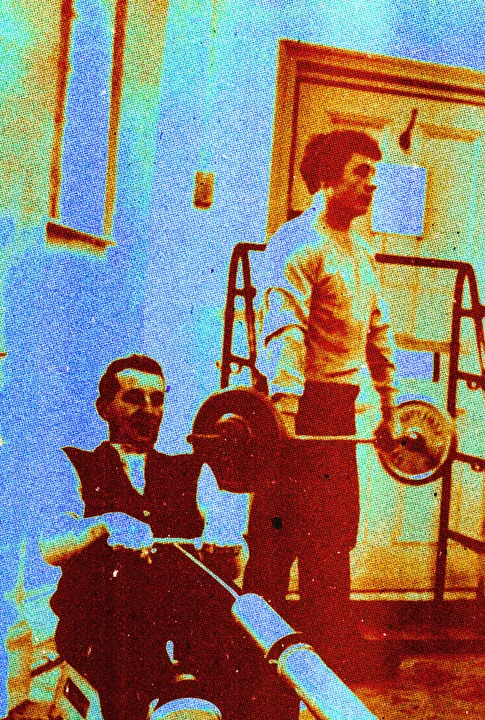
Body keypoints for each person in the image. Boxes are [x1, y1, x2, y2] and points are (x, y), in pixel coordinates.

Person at [38, 355, 283, 720]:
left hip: (182, 625)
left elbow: (235, 568)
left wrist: (229, 547)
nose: (148, 411)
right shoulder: (74, 464)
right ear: (104, 409)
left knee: (254, 661)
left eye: (157, 399)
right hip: (102, 625)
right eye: (134, 398)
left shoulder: (192, 469)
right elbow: (50, 546)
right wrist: (104, 524)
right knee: (130, 656)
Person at [252, 129, 399, 679]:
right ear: (327, 179)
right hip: (293, 409)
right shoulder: (297, 244)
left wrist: (390, 408)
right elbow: (284, 332)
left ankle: (329, 650)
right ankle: (253, 657)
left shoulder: (359, 249)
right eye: (361, 172)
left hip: (336, 408)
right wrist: (285, 414)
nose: (372, 183)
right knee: (275, 540)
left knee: (334, 535)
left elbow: (377, 332)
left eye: (373, 173)